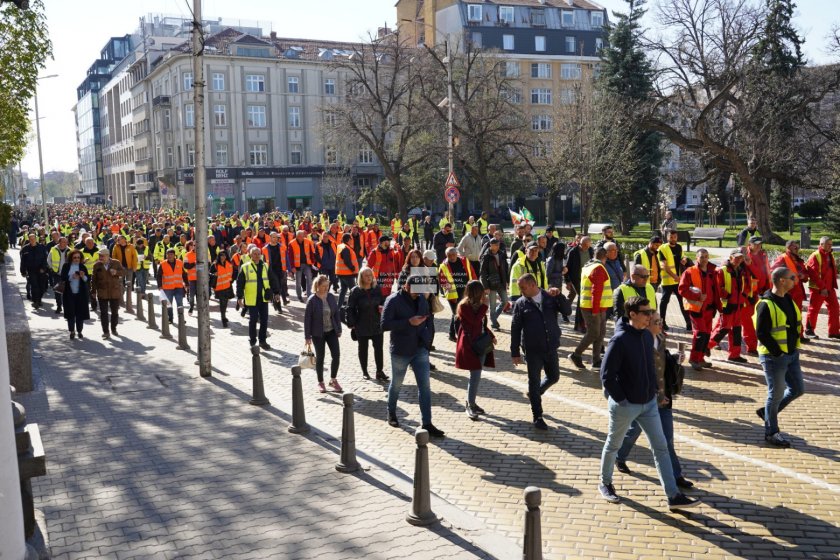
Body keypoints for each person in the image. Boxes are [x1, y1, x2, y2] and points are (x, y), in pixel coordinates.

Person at [598, 296, 699, 510]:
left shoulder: (645, 336)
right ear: (632, 314)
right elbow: (606, 375)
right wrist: (622, 400)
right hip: (626, 406)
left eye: (650, 311)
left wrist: (656, 393)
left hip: (649, 403)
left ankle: (673, 496)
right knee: (613, 444)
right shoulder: (619, 340)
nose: (650, 315)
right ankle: (605, 483)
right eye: (645, 312)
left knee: (661, 447)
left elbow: (650, 369)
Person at [614, 311, 693, 490]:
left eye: (661, 320)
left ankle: (676, 475)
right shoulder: (640, 343)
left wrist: (675, 358)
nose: (661, 324)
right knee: (632, 432)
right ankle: (619, 456)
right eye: (657, 321)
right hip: (646, 399)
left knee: (667, 439)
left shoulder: (660, 337)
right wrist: (656, 394)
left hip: (664, 398)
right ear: (647, 324)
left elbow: (661, 363)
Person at [381, 275, 443, 437]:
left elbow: (427, 318)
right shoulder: (393, 300)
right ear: (406, 287)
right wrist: (408, 322)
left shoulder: (422, 298)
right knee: (396, 384)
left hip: (420, 348)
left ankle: (427, 423)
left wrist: (427, 340)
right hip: (401, 350)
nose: (418, 294)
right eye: (416, 291)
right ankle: (391, 412)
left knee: (425, 387)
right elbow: (384, 324)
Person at [510, 273, 572, 430]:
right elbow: (515, 329)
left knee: (554, 376)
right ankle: (537, 416)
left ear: (532, 285)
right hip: (532, 350)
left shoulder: (550, 297)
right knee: (533, 381)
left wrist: (560, 296)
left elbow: (568, 311)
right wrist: (515, 351)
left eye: (523, 287)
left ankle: (535, 393)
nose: (521, 291)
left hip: (551, 347)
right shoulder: (520, 303)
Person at [754, 267, 805, 447]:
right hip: (774, 357)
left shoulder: (789, 299)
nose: (795, 280)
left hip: (791, 354)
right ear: (782, 280)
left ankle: (767, 413)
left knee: (798, 389)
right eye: (792, 278)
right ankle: (771, 432)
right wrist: (778, 352)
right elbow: (761, 333)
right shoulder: (765, 304)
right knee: (775, 395)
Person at [454, 280, 496, 420]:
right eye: (482, 291)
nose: (484, 294)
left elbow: (482, 325)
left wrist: (491, 335)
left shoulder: (479, 305)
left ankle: (472, 403)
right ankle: (470, 404)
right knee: (475, 375)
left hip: (480, 344)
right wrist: (484, 307)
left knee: (476, 375)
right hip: (470, 345)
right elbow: (474, 321)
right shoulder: (464, 306)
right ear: (476, 293)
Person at [569, 247, 612, 370]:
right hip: (593, 307)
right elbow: (596, 291)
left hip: (595, 306)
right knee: (594, 333)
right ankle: (576, 354)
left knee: (600, 333)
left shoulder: (589, 266)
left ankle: (596, 360)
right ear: (606, 256)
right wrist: (595, 310)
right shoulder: (598, 268)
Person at [708, 250, 751, 364]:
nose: (739, 260)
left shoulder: (741, 270)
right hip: (727, 304)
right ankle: (707, 347)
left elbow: (746, 285)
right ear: (731, 257)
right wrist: (729, 296)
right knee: (723, 329)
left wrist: (743, 296)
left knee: (736, 330)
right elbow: (718, 287)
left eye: (741, 258)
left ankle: (734, 354)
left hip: (738, 304)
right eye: (737, 258)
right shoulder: (722, 270)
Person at [678, 249, 719, 370]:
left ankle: (700, 358)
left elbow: (715, 290)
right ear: (697, 258)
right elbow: (682, 290)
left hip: (709, 309)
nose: (704, 259)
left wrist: (718, 306)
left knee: (706, 335)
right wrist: (697, 296)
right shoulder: (690, 272)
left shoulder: (712, 272)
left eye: (706, 257)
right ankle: (694, 359)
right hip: (697, 308)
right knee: (700, 334)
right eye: (701, 257)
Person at [347, 267, 388, 382]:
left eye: (370, 275)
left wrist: (382, 307)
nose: (369, 277)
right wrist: (352, 323)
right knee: (363, 349)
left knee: (379, 349)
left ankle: (379, 371)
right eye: (366, 275)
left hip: (376, 324)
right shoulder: (356, 291)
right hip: (361, 324)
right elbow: (350, 308)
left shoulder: (377, 289)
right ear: (361, 277)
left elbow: (383, 302)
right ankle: (365, 371)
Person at [304, 275, 343, 393]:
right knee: (320, 358)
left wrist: (339, 328)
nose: (326, 288)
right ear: (317, 286)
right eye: (324, 286)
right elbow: (307, 319)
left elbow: (336, 313)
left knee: (336, 355)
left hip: (331, 331)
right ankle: (320, 382)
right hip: (318, 334)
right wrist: (307, 336)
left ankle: (333, 380)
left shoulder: (330, 297)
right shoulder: (312, 300)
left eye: (328, 286)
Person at [236, 246, 280, 349]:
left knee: (264, 320)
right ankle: (252, 341)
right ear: (250, 255)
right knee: (253, 320)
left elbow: (272, 279)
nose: (257, 256)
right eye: (254, 254)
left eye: (258, 254)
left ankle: (262, 341)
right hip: (252, 299)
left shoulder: (265, 266)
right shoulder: (245, 267)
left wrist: (277, 292)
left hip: (264, 298)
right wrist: (239, 297)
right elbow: (240, 283)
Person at [772, 240, 810, 343]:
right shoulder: (782, 258)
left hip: (797, 291)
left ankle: (799, 335)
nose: (797, 249)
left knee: (798, 314)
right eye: (795, 248)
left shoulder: (799, 260)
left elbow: (805, 274)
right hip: (787, 292)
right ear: (788, 248)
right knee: (787, 315)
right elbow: (774, 273)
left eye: (798, 247)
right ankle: (789, 336)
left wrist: (803, 276)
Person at [805, 236, 839, 339]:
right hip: (818, 288)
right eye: (828, 244)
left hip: (829, 288)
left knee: (835, 308)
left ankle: (833, 332)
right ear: (821, 244)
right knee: (814, 309)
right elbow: (813, 274)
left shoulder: (829, 254)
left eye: (831, 244)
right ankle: (809, 330)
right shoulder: (815, 255)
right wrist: (822, 287)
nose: (830, 246)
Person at [742, 236, 772, 354]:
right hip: (748, 294)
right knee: (745, 321)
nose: (759, 246)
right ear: (750, 244)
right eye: (756, 244)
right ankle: (712, 343)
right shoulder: (746, 256)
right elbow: (755, 272)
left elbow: (766, 271)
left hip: (761, 292)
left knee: (755, 320)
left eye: (760, 244)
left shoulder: (762, 255)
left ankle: (753, 346)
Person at [439, 246, 476, 340]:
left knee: (456, 313)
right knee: (458, 315)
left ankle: (451, 335)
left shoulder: (464, 260)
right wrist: (451, 296)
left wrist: (475, 287)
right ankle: (460, 337)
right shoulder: (443, 266)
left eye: (453, 255)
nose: (452, 257)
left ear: (457, 254)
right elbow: (443, 282)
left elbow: (471, 273)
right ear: (446, 255)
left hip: (465, 291)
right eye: (449, 255)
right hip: (453, 295)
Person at [658, 229, 692, 331]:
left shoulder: (679, 247)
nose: (673, 239)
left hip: (678, 281)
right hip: (668, 282)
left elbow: (683, 256)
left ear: (677, 237)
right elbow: (664, 266)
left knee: (682, 302)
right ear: (667, 237)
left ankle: (688, 323)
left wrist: (685, 259)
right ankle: (662, 322)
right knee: (664, 302)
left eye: (675, 237)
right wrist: (674, 276)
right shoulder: (662, 248)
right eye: (671, 237)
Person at [90, 248, 126, 339]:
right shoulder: (97, 265)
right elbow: (93, 280)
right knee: (103, 313)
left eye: (102, 256)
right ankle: (106, 331)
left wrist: (116, 272)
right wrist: (93, 291)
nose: (100, 257)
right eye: (99, 256)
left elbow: (123, 272)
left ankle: (114, 328)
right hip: (102, 292)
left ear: (107, 255)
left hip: (114, 292)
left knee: (115, 312)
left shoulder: (116, 262)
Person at [59, 249, 91, 339]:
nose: (76, 259)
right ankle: (72, 331)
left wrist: (82, 276)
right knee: (70, 314)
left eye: (78, 257)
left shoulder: (82, 266)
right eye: (75, 257)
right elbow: (63, 278)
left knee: (80, 314)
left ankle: (80, 331)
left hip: (81, 295)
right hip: (69, 294)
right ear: (71, 258)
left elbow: (86, 280)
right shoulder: (66, 266)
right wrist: (71, 277)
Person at [479, 237, 509, 329]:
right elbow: (482, 272)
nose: (497, 246)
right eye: (495, 244)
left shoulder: (502, 254)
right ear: (490, 245)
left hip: (501, 282)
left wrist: (506, 281)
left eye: (498, 244)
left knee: (505, 301)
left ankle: (493, 317)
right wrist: (485, 286)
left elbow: (506, 269)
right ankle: (494, 323)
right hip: (491, 283)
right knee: (492, 305)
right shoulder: (486, 256)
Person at [565, 235, 593, 332]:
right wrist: (567, 281)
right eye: (583, 245)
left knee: (582, 300)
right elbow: (567, 267)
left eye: (587, 245)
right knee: (582, 298)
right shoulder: (573, 252)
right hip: (576, 279)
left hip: (588, 279)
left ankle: (579, 324)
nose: (585, 247)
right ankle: (581, 324)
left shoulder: (591, 250)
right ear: (580, 243)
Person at [156, 248, 186, 324]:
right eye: (168, 254)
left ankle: (181, 318)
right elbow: (158, 276)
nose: (169, 256)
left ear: (174, 255)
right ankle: (170, 318)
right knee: (169, 305)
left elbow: (184, 274)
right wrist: (159, 286)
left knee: (180, 303)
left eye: (171, 254)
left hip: (178, 287)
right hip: (167, 288)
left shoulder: (179, 262)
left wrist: (187, 284)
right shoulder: (163, 264)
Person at [20, 233, 48, 309]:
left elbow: (45, 259)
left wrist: (44, 268)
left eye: (33, 238)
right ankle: (36, 301)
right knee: (34, 286)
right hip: (31, 270)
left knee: (42, 287)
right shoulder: (25, 248)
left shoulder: (42, 247)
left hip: (41, 270)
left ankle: (39, 299)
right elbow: (23, 261)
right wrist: (23, 271)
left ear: (36, 239)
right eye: (31, 239)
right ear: (29, 239)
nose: (32, 240)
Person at [288, 229, 316, 302]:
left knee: (309, 279)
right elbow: (290, 256)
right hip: (297, 266)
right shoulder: (292, 243)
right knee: (298, 282)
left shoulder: (308, 241)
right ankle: (299, 296)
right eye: (299, 236)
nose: (301, 237)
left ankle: (309, 296)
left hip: (307, 264)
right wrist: (292, 267)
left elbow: (312, 252)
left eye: (302, 235)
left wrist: (313, 262)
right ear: (296, 236)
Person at [336, 232, 359, 310]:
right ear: (349, 239)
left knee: (343, 291)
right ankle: (353, 308)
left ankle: (338, 308)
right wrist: (353, 269)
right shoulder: (346, 248)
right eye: (351, 239)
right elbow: (347, 261)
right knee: (354, 291)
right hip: (347, 274)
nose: (352, 240)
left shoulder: (341, 246)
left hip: (341, 273)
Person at [211, 251, 234, 327]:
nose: (223, 257)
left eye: (224, 255)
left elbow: (232, 274)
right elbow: (209, 274)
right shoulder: (215, 265)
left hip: (227, 286)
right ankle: (223, 318)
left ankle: (223, 316)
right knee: (222, 303)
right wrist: (214, 274)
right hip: (219, 287)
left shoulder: (229, 264)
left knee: (225, 303)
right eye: (221, 255)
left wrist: (231, 280)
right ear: (219, 256)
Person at [47, 237, 70, 314]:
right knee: (57, 290)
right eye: (63, 242)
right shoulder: (53, 249)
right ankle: (59, 306)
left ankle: (66, 307)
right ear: (59, 242)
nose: (64, 243)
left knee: (66, 291)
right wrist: (52, 268)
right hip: (56, 273)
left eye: (66, 242)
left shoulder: (70, 250)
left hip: (67, 274)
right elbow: (48, 260)